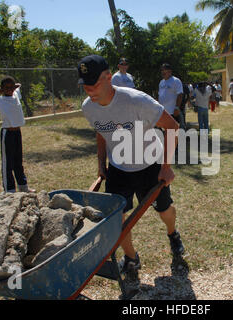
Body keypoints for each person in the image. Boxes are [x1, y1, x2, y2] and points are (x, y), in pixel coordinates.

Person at [78, 55, 185, 283]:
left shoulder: (136, 101)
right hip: (119, 169)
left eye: (94, 83)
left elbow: (173, 127)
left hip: (150, 166)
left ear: (108, 77)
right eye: (85, 85)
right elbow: (100, 131)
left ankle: (172, 233)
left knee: (165, 211)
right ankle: (131, 258)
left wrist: (165, 167)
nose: (89, 90)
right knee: (117, 218)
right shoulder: (88, 107)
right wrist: (101, 164)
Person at [158, 63, 184, 129]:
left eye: (164, 70)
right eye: (161, 70)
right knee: (165, 131)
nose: (162, 72)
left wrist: (177, 108)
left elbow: (180, 95)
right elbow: (160, 95)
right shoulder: (161, 82)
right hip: (163, 112)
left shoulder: (176, 81)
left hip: (172, 112)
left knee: (171, 132)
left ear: (170, 71)